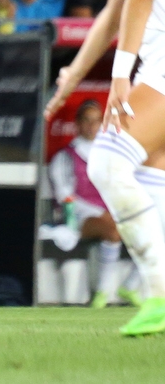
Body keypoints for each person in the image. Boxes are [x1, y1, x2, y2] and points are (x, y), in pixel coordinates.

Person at [44, 0, 165, 336]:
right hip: (155, 60)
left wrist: (119, 77)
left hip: (159, 64)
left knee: (106, 162)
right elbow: (114, 8)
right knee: (148, 178)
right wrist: (73, 74)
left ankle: (160, 294)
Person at [49, 101, 141, 308]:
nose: (92, 126)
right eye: (87, 120)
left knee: (152, 231)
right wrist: (101, 211)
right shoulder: (66, 157)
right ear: (78, 124)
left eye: (96, 121)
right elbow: (66, 197)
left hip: (111, 214)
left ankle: (131, 285)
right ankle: (103, 293)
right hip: (78, 218)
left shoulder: (111, 154)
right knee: (112, 230)